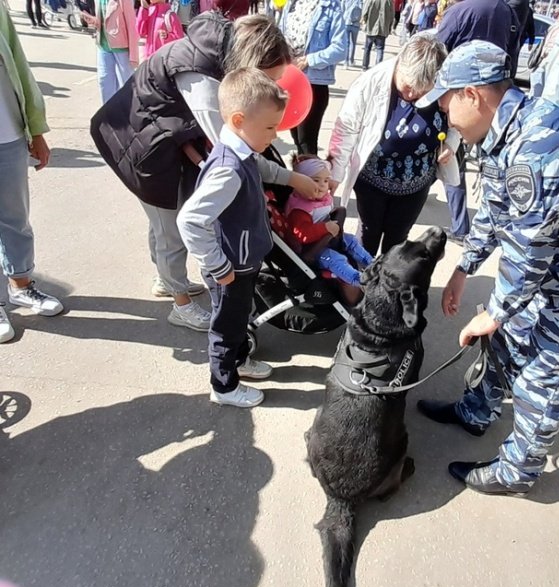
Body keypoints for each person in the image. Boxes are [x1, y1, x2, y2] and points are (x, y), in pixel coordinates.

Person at [415, 41, 559, 495]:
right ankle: (477, 412)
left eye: (446, 99)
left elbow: (530, 247)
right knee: (506, 343)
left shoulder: (539, 148)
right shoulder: (503, 130)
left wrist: (494, 310)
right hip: (555, 266)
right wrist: (466, 267)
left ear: (473, 95)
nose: (443, 111)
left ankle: (517, 472)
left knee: (544, 379)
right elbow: (497, 209)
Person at [91, 13, 318, 335]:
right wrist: (288, 177)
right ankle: (180, 304)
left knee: (164, 224)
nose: (270, 89)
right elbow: (237, 153)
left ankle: (167, 279)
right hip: (142, 147)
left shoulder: (223, 48)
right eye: (268, 80)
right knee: (171, 227)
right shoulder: (203, 83)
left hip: (164, 136)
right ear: (248, 66)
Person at [178, 68, 285, 408]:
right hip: (230, 268)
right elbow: (191, 220)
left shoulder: (242, 151)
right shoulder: (228, 168)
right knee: (226, 327)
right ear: (239, 119)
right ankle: (223, 386)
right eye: (269, 127)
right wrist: (217, 264)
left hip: (241, 262)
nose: (275, 134)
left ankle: (239, 363)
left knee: (239, 320)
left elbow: (263, 170)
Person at [328, 34, 459, 255]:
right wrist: (335, 173)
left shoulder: (444, 86)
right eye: (407, 87)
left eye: (422, 92)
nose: (412, 95)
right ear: (400, 65)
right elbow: (346, 129)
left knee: (398, 239)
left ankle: (389, 284)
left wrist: (451, 145)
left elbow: (456, 121)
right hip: (372, 179)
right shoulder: (371, 82)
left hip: (416, 181)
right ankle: (361, 283)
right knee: (368, 233)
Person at [0, 3, 63, 344]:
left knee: (15, 217)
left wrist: (35, 129)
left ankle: (20, 285)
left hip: (6, 131)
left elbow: (18, 67)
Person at [435, 0, 519, 245]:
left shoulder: (460, 11)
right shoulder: (507, 11)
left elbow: (438, 49)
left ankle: (460, 226)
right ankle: (463, 228)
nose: (445, 112)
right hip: (490, 94)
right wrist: (465, 266)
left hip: (463, 90)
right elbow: (511, 53)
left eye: (446, 105)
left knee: (452, 163)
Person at [285, 155, 373, 299]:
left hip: (326, 238)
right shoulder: (300, 209)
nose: (322, 185)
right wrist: (325, 228)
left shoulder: (320, 199)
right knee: (334, 259)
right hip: (311, 249)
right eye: (315, 180)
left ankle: (372, 264)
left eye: (326, 180)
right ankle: (360, 280)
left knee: (351, 240)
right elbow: (303, 234)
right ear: (300, 183)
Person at [280, 0, 347, 155]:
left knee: (306, 142)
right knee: (297, 140)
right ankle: (304, 176)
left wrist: (308, 60)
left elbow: (340, 48)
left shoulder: (331, 7)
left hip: (313, 84)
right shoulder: (291, 4)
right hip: (290, 82)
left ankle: (313, 177)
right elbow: (280, 36)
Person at [82, 0, 139, 104]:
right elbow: (102, 19)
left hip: (122, 47)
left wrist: (134, 55)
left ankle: (129, 114)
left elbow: (132, 25)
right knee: (104, 81)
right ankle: (108, 114)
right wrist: (94, 21)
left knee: (126, 84)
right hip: (103, 45)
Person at [361, 0, 393, 70]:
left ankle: (364, 66)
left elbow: (365, 11)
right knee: (380, 49)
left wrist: (365, 21)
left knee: (367, 48)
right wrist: (389, 27)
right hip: (382, 28)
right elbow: (392, 16)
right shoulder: (388, 1)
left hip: (371, 27)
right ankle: (377, 68)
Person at [342, 0, 363, 67]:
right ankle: (351, 60)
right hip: (356, 23)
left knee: (347, 43)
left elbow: (342, 9)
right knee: (353, 43)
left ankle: (346, 62)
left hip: (346, 22)